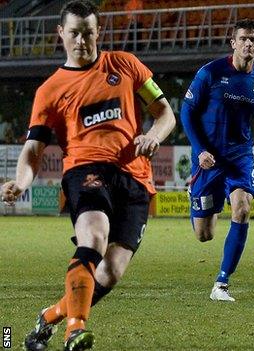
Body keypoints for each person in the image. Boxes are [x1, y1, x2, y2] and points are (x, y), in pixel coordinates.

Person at [1, 1, 176, 350]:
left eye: (88, 32)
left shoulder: (125, 65)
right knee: (94, 238)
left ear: (99, 32)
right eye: (75, 33)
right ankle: (75, 330)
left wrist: (154, 136)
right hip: (86, 170)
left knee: (110, 272)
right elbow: (33, 150)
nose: (82, 40)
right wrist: (21, 181)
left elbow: (165, 113)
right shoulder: (50, 91)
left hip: (135, 178)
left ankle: (49, 317)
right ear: (61, 34)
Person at [180, 19, 254, 302]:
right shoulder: (210, 73)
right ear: (233, 43)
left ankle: (221, 283)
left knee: (242, 209)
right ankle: (196, 195)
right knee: (204, 235)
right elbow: (186, 113)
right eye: (244, 38)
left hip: (240, 158)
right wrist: (200, 150)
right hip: (208, 159)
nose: (249, 43)